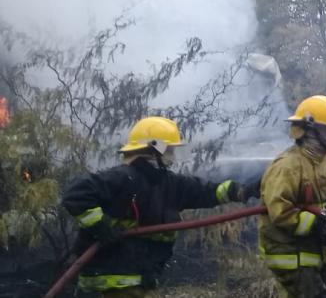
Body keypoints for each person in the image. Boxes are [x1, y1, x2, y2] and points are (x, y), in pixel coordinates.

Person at [62, 116, 255, 297]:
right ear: (154, 150)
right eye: (169, 150)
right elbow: (76, 195)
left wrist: (241, 191)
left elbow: (204, 191)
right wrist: (101, 226)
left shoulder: (167, 183)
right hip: (114, 276)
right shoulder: (124, 177)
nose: (172, 156)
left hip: (139, 274)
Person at [259, 95, 326, 298]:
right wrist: (318, 225)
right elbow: (280, 212)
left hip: (314, 252)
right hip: (290, 255)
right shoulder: (287, 165)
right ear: (309, 129)